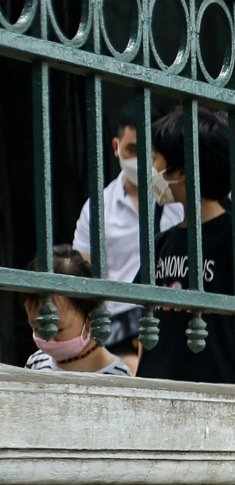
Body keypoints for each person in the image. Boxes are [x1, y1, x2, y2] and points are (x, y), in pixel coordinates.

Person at [134, 105, 235, 386]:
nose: (151, 169)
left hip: (218, 384)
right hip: (157, 385)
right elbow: (148, 319)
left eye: (156, 159)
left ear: (181, 171)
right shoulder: (161, 243)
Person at [70, 109, 185, 362]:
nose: (141, 158)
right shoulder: (97, 208)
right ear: (116, 146)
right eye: (133, 149)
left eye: (149, 151)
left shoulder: (180, 200)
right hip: (116, 332)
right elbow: (81, 273)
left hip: (175, 322)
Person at [13, 246, 133, 376]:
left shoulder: (117, 375)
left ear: (90, 317)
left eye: (58, 329)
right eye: (36, 328)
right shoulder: (37, 363)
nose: (48, 338)